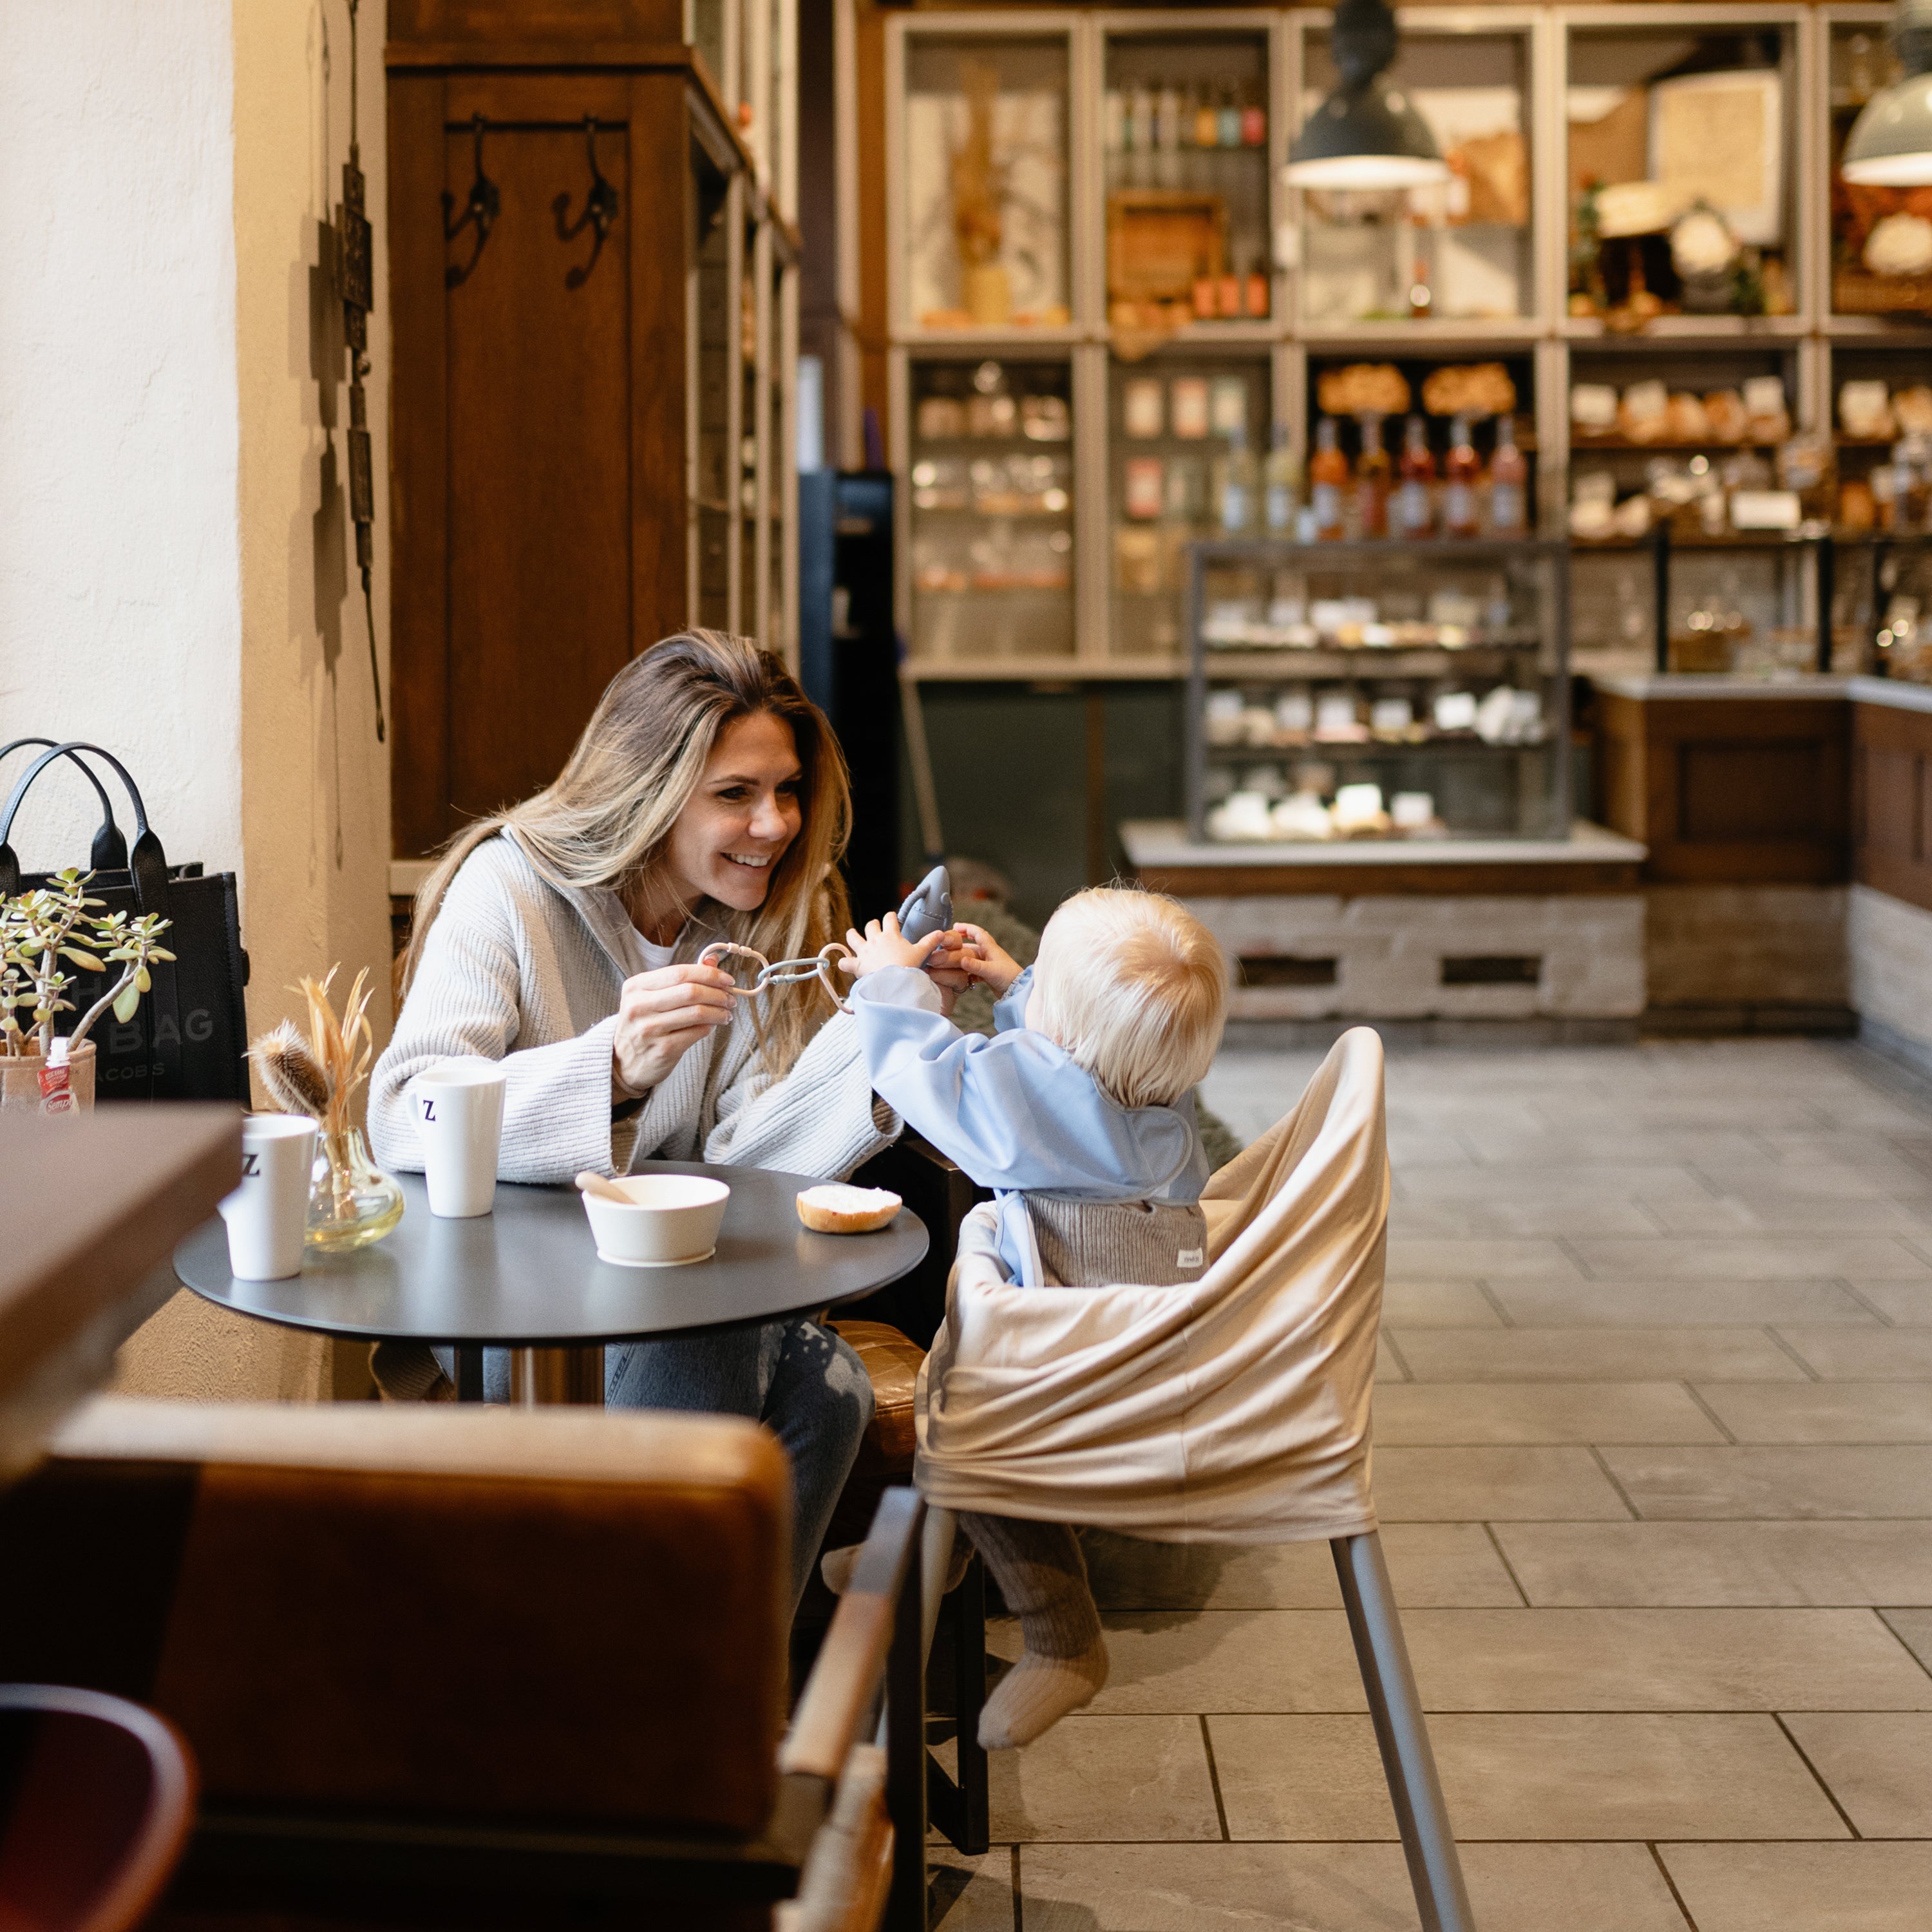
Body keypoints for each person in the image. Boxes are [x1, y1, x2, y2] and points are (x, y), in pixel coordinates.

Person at [368, 630, 897, 1612]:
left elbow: (754, 1165)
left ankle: (698, 1689)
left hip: (681, 1290)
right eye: (735, 794)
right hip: (509, 1312)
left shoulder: (771, 915)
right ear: (649, 794)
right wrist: (609, 1069)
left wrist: (889, 1041)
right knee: (727, 1340)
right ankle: (674, 1688)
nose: (776, 824)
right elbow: (404, 1113)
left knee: (831, 1396)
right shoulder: (509, 889)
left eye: (786, 790)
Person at [830, 885, 1229, 1747]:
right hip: (1150, 1368)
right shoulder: (1162, 1097)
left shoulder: (1026, 1100)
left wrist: (888, 981)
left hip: (1062, 1393)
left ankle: (1064, 1638)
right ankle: (933, 1547)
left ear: (1059, 1033)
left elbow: (928, 1075)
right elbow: (1077, 1066)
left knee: (972, 1433)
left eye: (1046, 979)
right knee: (960, 1405)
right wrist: (1019, 986)